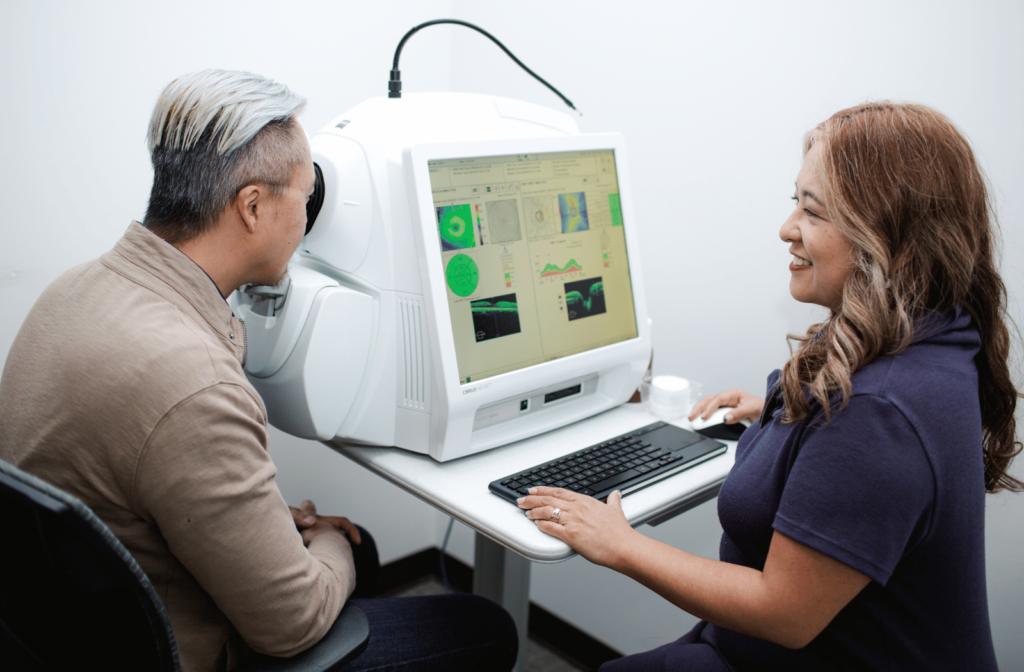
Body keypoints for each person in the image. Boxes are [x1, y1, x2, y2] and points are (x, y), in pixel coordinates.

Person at [0, 69, 516, 672]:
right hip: (178, 649)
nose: (306, 219)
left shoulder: (72, 291)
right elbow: (290, 626)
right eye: (304, 196)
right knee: (481, 624)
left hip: (76, 625)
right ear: (252, 206)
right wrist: (323, 540)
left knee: (363, 552)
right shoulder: (193, 382)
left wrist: (274, 525)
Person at [518, 102, 1021, 671]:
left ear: (887, 236)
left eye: (812, 211)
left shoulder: (878, 414)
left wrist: (621, 544)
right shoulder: (933, 332)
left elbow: (784, 612)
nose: (787, 229)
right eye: (795, 203)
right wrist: (783, 418)